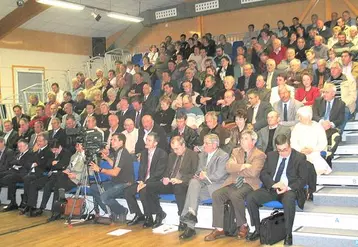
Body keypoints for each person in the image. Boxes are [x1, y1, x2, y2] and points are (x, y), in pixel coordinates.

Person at [246, 134, 308, 246]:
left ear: (290, 145)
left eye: (285, 149)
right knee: (251, 198)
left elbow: (302, 180)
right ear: (276, 147)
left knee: (289, 199)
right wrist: (273, 184)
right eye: (279, 150)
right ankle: (258, 229)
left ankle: (288, 234)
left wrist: (287, 187)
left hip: (288, 190)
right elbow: (263, 174)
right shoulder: (271, 155)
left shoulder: (299, 157)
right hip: (272, 188)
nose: (283, 153)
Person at [204, 130, 266, 241]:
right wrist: (243, 166)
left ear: (253, 141)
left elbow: (253, 173)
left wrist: (236, 168)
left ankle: (243, 225)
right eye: (242, 138)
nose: (242, 140)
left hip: (249, 183)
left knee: (235, 195)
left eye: (246, 138)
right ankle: (219, 228)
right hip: (233, 181)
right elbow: (228, 167)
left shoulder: (260, 155)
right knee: (216, 194)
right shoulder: (235, 151)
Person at [141, 136, 199, 229]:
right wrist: (165, 178)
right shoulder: (172, 155)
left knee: (178, 187)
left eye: (177, 148)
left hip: (183, 183)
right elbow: (167, 171)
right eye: (173, 149)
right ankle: (159, 213)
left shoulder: (193, 155)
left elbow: (194, 173)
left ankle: (182, 219)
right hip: (170, 182)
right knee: (148, 187)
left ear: (183, 145)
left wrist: (181, 180)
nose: (175, 151)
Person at [179, 134, 229, 239]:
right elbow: (198, 170)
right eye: (204, 143)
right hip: (202, 184)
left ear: (214, 145)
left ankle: (189, 225)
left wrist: (205, 176)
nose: (203, 145)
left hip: (216, 186)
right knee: (193, 182)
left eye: (206, 143)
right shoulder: (202, 155)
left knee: (192, 194)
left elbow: (219, 175)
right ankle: (191, 216)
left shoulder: (223, 155)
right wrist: (197, 175)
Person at [125, 132, 168, 227]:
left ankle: (150, 216)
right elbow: (141, 169)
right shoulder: (144, 153)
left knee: (143, 190)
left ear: (155, 143)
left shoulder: (162, 154)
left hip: (156, 182)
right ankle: (139, 214)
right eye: (146, 139)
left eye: (149, 140)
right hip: (144, 181)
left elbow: (159, 173)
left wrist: (145, 183)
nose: (146, 142)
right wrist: (140, 180)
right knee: (128, 191)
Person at [21, 138, 71, 217]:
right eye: (52, 150)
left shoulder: (66, 153)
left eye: (55, 150)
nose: (54, 152)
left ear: (60, 147)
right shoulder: (52, 152)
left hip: (59, 176)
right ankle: (31, 207)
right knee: (34, 184)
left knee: (48, 185)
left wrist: (55, 164)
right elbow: (47, 165)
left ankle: (42, 208)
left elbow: (63, 166)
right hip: (50, 174)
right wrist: (55, 163)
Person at [90, 133, 134, 223]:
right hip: (116, 182)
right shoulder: (118, 152)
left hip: (125, 183)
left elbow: (114, 172)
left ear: (121, 142)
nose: (111, 141)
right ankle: (111, 212)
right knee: (93, 188)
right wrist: (107, 158)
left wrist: (100, 169)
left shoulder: (122, 153)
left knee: (104, 197)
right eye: (111, 140)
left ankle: (122, 211)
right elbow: (115, 165)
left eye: (114, 140)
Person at [291, 106, 332, 175]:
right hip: (300, 152)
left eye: (300, 116)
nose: (299, 118)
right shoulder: (297, 127)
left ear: (308, 117)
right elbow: (293, 142)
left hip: (315, 151)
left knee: (314, 158)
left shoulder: (318, 127)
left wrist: (312, 149)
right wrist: (301, 150)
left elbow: (323, 143)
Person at [0, 139, 33, 211]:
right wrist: (17, 163)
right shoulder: (18, 153)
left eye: (21, 146)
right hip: (14, 171)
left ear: (26, 146)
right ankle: (13, 202)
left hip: (23, 174)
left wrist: (17, 163)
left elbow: (25, 165)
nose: (19, 148)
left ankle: (13, 202)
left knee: (8, 178)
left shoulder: (30, 154)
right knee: (3, 175)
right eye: (18, 146)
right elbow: (12, 162)